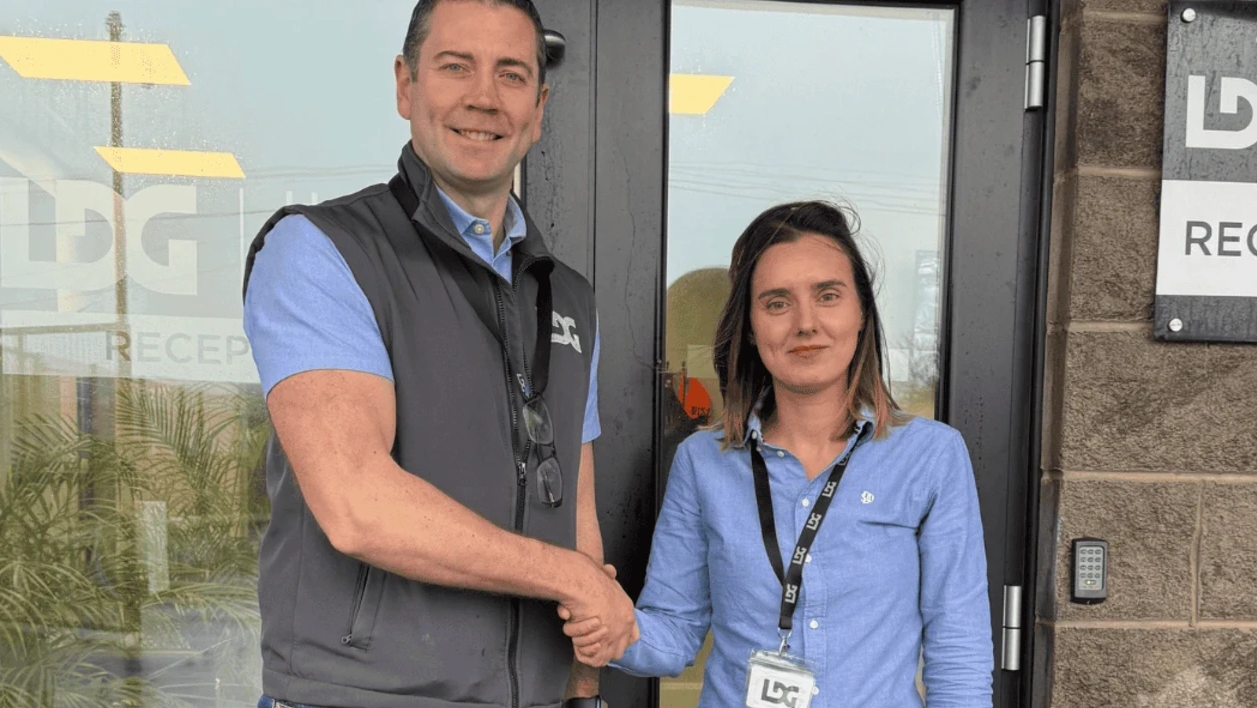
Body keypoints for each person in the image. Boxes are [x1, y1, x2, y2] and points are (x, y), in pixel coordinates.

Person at [241, 1, 635, 707]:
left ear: (538, 109)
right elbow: (357, 503)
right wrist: (571, 579)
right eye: (456, 67)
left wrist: (582, 685)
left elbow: (573, 503)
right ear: (406, 85)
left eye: (511, 75)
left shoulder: (568, 299)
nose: (483, 97)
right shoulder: (323, 252)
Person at [581, 202, 992, 706]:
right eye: (777, 303)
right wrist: (612, 624)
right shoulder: (701, 462)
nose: (805, 323)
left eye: (828, 295)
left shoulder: (931, 457)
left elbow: (959, 655)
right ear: (751, 327)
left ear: (861, 310)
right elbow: (674, 634)